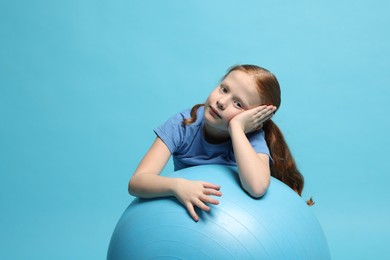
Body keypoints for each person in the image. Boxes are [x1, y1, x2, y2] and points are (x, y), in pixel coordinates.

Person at [129, 64, 312, 222]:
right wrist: (177, 186)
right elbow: (136, 182)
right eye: (224, 89)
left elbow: (257, 188)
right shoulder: (184, 124)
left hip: (240, 224)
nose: (222, 102)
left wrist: (237, 128)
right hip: (188, 220)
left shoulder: (251, 137)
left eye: (239, 104)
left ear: (255, 120)